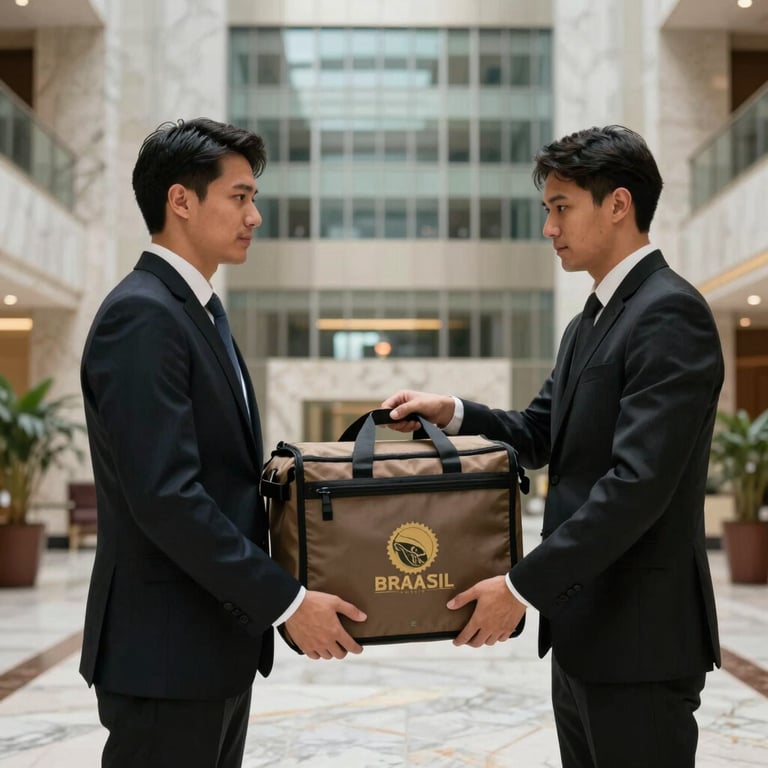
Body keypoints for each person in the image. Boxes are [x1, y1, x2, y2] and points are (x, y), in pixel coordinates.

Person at [383, 125, 723, 768]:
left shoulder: (669, 312)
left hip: (641, 638)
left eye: (561, 207)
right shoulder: (588, 321)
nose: (549, 228)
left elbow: (637, 485)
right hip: (584, 630)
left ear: (618, 204)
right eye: (548, 210)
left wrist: (520, 587)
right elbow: (542, 432)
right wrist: (452, 412)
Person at [79, 118, 366, 768]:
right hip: (165, 652)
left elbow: (218, 475)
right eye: (239, 197)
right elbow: (167, 497)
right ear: (181, 200)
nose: (254, 216)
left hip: (209, 645)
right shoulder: (143, 314)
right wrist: (287, 602)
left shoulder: (197, 311)